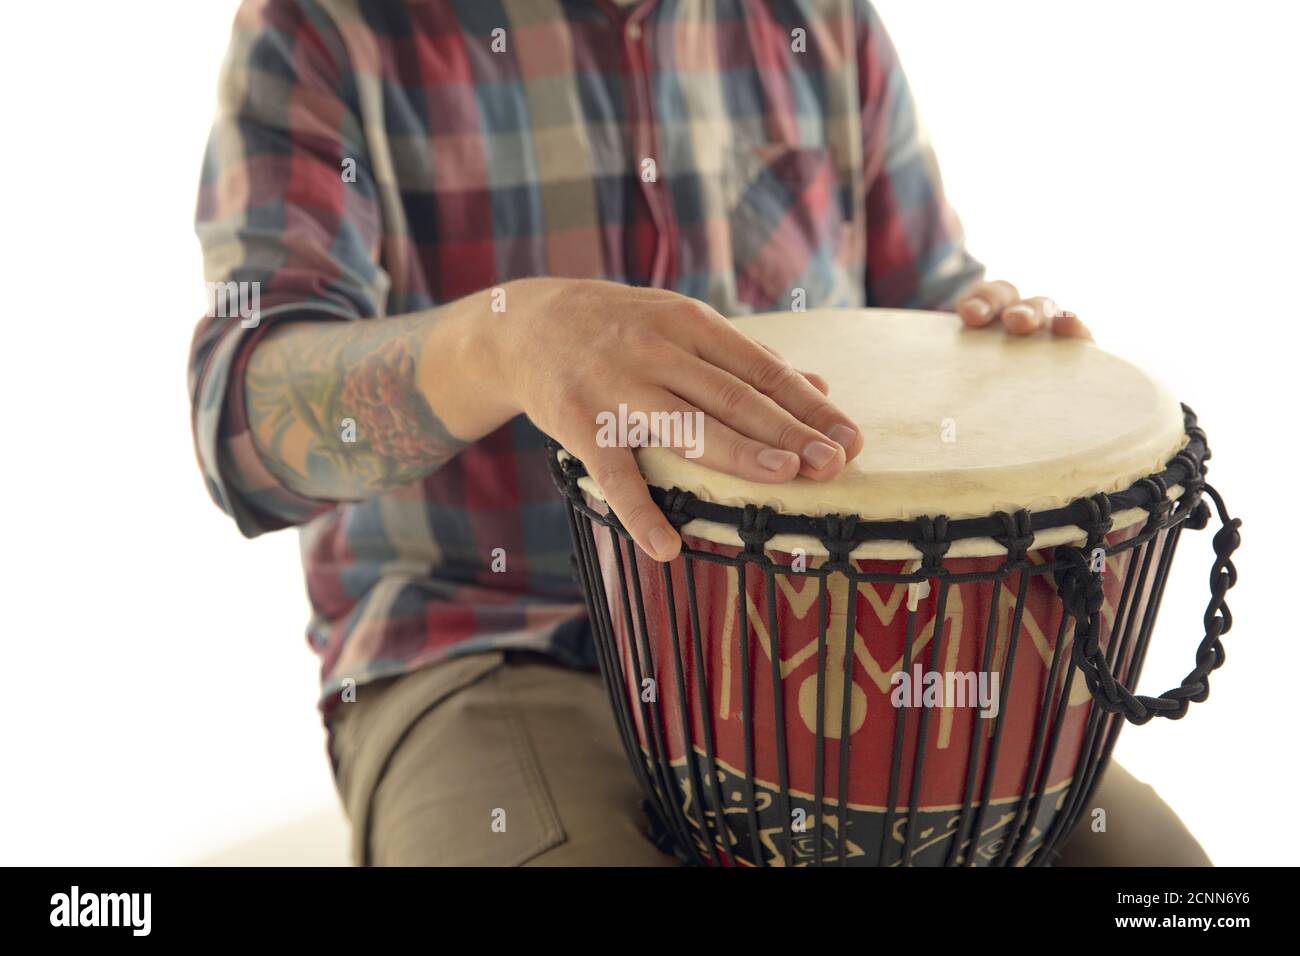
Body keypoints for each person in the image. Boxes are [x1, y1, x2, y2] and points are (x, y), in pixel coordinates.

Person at [189, 0, 1208, 866]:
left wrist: (989, 347)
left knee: (1169, 883)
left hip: (842, 630)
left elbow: (918, 299)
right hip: (490, 635)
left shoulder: (818, 21)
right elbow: (244, 428)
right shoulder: (326, 25)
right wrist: (507, 341)